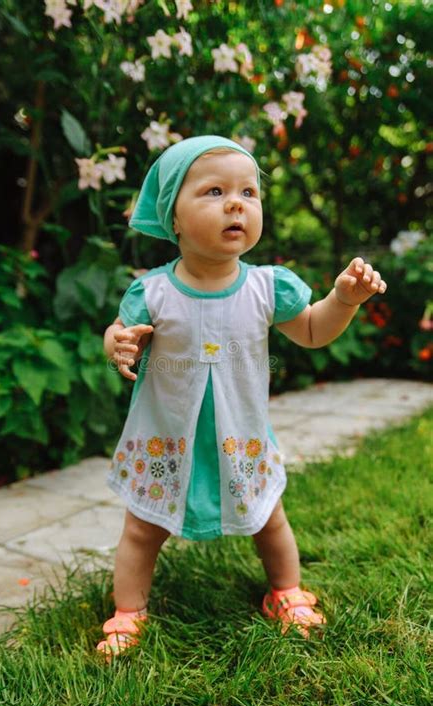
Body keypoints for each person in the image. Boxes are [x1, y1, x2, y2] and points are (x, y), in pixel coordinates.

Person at [97, 135, 387, 660]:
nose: (236, 203)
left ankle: (285, 591)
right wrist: (116, 342)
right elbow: (120, 329)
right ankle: (128, 611)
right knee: (142, 530)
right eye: (213, 191)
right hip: (166, 440)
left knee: (269, 519)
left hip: (240, 439)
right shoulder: (153, 292)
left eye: (249, 192)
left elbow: (315, 331)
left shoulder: (267, 287)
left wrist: (342, 300)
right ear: (174, 219)